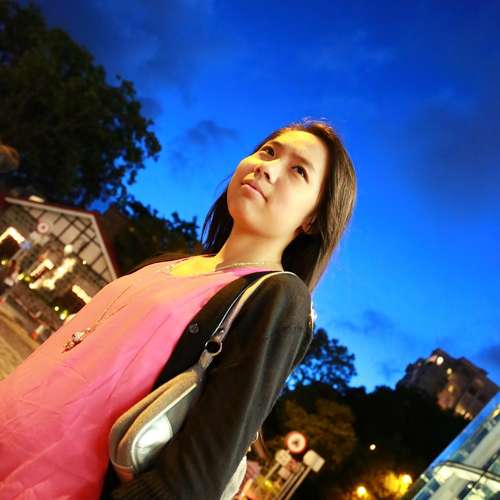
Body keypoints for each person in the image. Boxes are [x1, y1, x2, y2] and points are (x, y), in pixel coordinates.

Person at [0, 118, 357, 499]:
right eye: (268, 151)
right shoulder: (168, 264)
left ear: (312, 219)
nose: (267, 168)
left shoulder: (277, 297)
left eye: (299, 171)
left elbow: (190, 481)